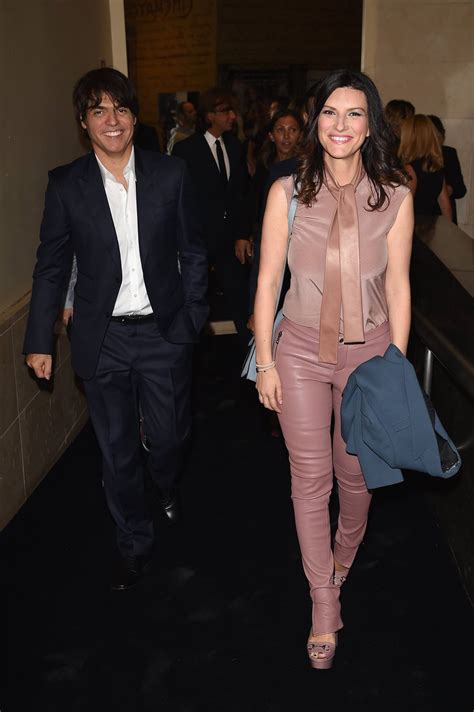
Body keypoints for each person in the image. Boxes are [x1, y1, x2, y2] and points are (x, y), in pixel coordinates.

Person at [23, 67, 208, 591]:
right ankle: (134, 541)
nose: (111, 120)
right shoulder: (67, 185)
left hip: (163, 334)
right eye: (98, 110)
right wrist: (39, 340)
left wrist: (192, 317)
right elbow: (51, 267)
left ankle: (165, 482)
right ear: (83, 122)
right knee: (116, 450)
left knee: (169, 438)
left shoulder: (170, 174)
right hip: (101, 339)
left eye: (121, 109)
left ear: (133, 117)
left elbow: (194, 252)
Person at [253, 69, 413, 669]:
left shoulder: (395, 196)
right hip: (297, 352)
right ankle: (324, 603)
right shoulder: (286, 193)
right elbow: (268, 281)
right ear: (314, 120)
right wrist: (265, 362)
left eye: (353, 113)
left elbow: (398, 288)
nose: (340, 125)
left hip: (369, 355)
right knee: (310, 478)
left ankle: (345, 552)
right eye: (329, 112)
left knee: (356, 476)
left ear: (370, 126)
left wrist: (395, 366)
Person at [173, 87, 252, 359]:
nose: (232, 116)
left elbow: (241, 195)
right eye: (226, 111)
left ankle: (249, 362)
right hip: (198, 242)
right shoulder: (185, 150)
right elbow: (180, 199)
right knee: (197, 303)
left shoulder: (235, 146)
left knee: (239, 300)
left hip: (230, 241)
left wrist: (242, 234)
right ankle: (194, 360)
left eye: (232, 111)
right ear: (210, 116)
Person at [398, 114, 452, 221]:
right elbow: (446, 207)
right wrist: (449, 227)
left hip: (415, 225)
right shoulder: (435, 167)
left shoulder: (410, 169)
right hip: (432, 225)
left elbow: (404, 206)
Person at [428, 114, 467, 224]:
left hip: (443, 216)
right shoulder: (414, 157)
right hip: (424, 215)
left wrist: (449, 189)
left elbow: (461, 190)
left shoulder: (448, 154)